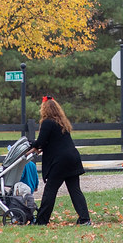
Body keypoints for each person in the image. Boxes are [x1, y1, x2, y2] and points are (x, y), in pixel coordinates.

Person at [30, 96, 92, 226]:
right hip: (72, 158)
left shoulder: (47, 122)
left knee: (50, 191)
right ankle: (85, 219)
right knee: (75, 190)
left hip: (60, 162)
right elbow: (54, 141)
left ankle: (42, 220)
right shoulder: (61, 122)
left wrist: (32, 145)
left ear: (45, 109)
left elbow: (41, 141)